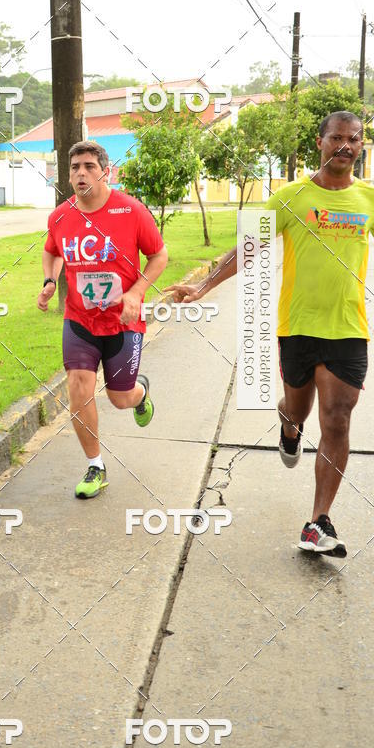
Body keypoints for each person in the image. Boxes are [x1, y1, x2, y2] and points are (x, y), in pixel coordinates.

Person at [165, 111, 374, 558]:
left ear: (361, 146)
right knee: (298, 408)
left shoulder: (368, 199)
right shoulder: (291, 197)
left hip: (349, 330)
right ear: (320, 143)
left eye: (353, 139)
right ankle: (288, 423)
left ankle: (318, 523)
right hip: (297, 328)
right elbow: (248, 245)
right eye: (336, 138)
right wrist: (202, 286)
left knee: (336, 419)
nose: (345, 146)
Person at [38, 140, 168, 498]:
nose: (81, 173)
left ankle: (139, 394)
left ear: (104, 170)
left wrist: (136, 292)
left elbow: (159, 256)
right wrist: (50, 281)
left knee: (119, 398)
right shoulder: (60, 216)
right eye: (75, 167)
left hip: (123, 321)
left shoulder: (130, 210)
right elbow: (51, 252)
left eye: (89, 166)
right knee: (78, 385)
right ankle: (95, 465)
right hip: (80, 319)